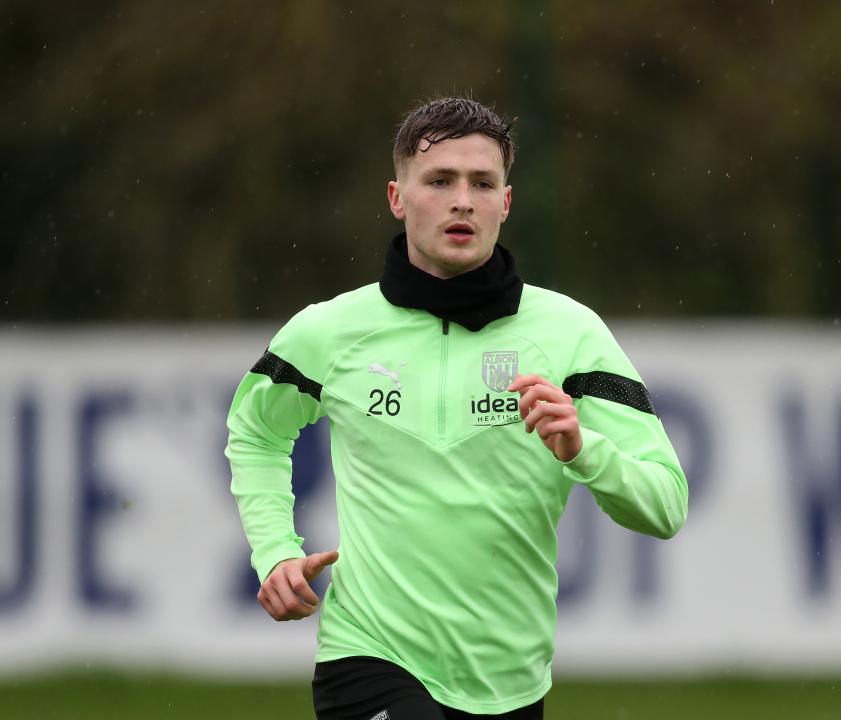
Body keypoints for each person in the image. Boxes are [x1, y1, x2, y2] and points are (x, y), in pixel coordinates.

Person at [225, 96, 688, 720]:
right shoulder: (329, 331)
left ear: (506, 202)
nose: (462, 200)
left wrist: (585, 450)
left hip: (509, 681)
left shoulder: (572, 334)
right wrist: (275, 551)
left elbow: (665, 506)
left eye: (481, 182)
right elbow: (255, 433)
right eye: (439, 181)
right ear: (398, 197)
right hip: (368, 652)